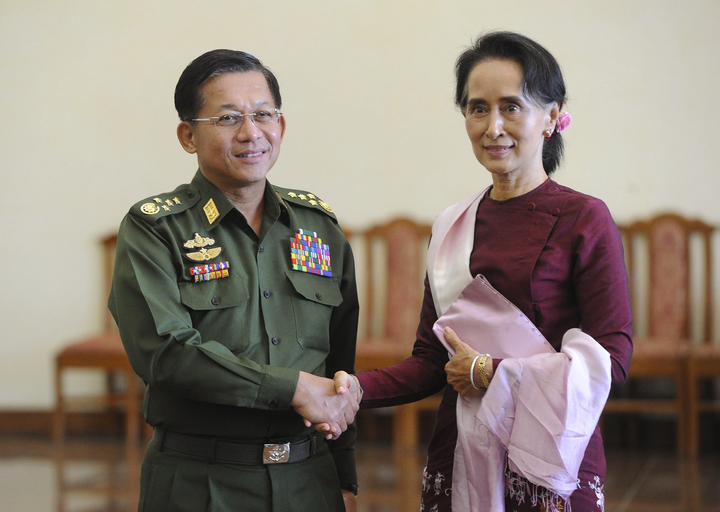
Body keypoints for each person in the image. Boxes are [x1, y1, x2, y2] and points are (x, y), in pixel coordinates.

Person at [331, 31, 632, 511]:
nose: (493, 127)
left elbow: (612, 362)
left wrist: (491, 372)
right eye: (477, 108)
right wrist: (350, 389)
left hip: (550, 458)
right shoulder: (453, 226)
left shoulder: (584, 219)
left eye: (512, 107)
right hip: (462, 451)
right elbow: (433, 361)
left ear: (551, 117)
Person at [108, 49, 360, 512]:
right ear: (188, 135)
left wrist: (344, 477)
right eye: (227, 118)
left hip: (310, 480)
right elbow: (165, 353)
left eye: (264, 115)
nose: (251, 133)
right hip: (200, 481)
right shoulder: (155, 229)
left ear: (281, 126)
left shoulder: (318, 225)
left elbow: (341, 359)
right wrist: (292, 388)